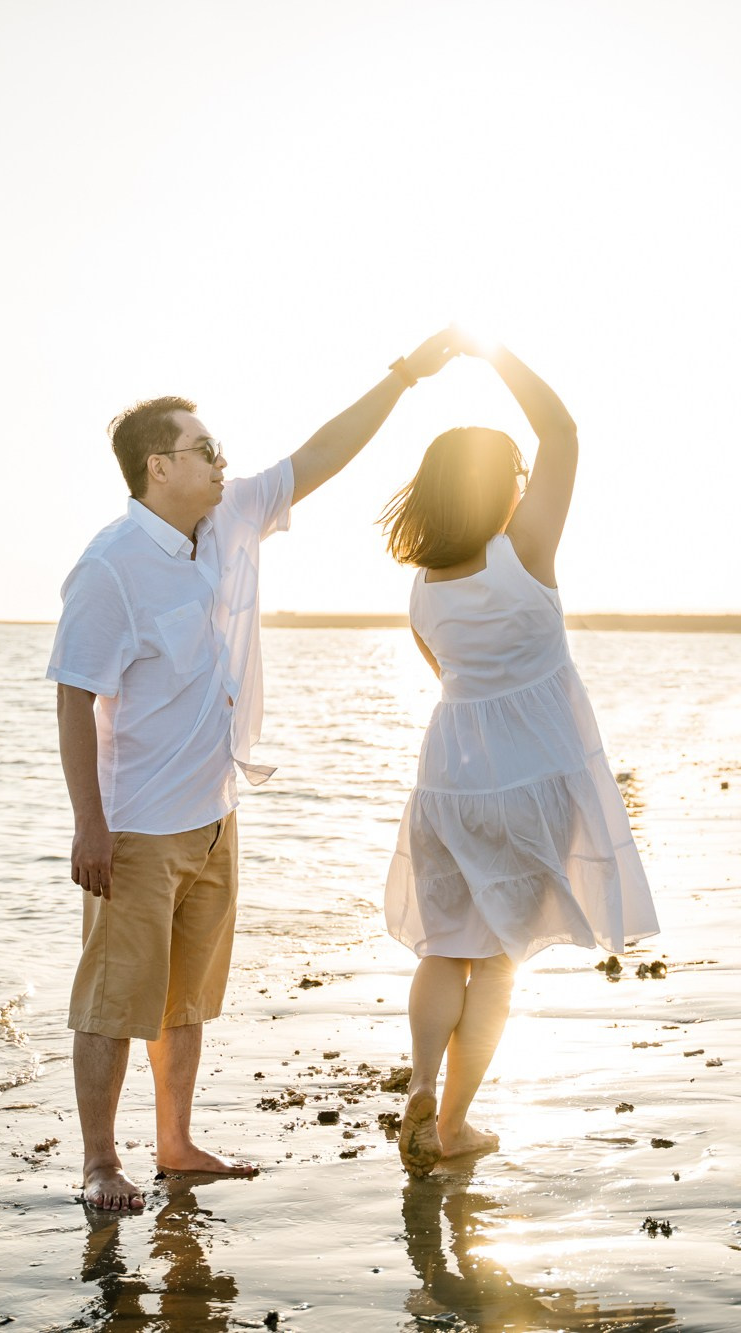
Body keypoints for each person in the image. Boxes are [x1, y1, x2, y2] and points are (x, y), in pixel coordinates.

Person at [49, 329, 456, 1211]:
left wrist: (403, 377)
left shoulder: (231, 517)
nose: (222, 459)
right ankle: (98, 1162)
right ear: (159, 467)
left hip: (216, 811)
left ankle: (175, 1143)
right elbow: (74, 697)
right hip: (137, 826)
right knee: (115, 1001)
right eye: (205, 449)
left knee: (185, 1002)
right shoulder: (108, 568)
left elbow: (322, 454)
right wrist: (88, 822)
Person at [380, 334, 659, 1173]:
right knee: (497, 962)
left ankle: (421, 1085)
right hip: (529, 779)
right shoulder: (524, 554)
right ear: (502, 487)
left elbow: (447, 676)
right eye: (519, 478)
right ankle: (454, 1123)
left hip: (447, 783)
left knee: (444, 948)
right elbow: (563, 431)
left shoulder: (423, 587)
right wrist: (497, 355)